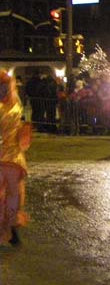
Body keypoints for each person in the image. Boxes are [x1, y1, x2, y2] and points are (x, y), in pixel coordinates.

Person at [0, 69, 32, 246]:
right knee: (13, 195)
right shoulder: (15, 105)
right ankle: (11, 229)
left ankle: (9, 230)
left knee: (7, 195)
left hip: (7, 156)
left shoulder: (9, 107)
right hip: (13, 158)